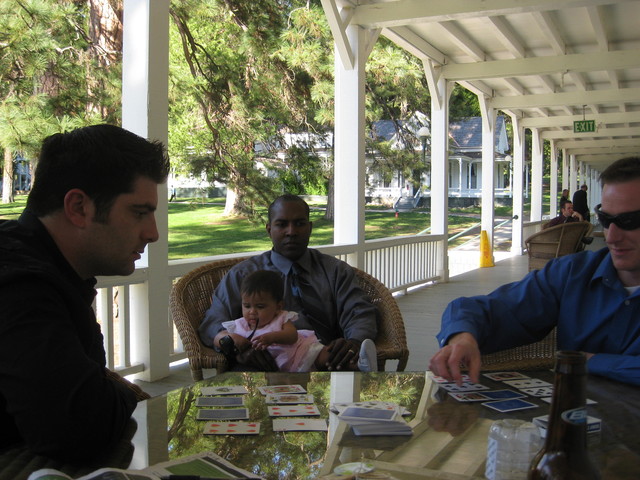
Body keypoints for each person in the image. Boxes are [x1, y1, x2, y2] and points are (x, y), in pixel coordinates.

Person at [0, 125, 170, 460]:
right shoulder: (18, 285)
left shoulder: (51, 271)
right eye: (139, 212)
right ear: (78, 207)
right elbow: (79, 431)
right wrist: (121, 395)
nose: (152, 234)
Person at [429, 156, 640, 387]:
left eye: (630, 221)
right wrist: (462, 337)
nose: (611, 236)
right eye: (606, 219)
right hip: (573, 417)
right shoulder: (573, 274)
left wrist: (589, 362)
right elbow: (486, 309)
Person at [199, 194, 378, 371]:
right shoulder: (243, 275)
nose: (291, 232)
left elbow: (360, 312)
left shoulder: (336, 271)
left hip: (329, 361)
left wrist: (354, 342)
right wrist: (237, 348)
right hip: (263, 365)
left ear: (310, 228)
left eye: (299, 223)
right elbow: (213, 322)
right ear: (269, 229)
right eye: (282, 224)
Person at [223, 270, 377, 372]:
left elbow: (292, 336)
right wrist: (232, 339)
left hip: (299, 353)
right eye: (247, 306)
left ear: (278, 306)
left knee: (325, 355)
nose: (252, 311)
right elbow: (220, 336)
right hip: (270, 367)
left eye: (260, 306)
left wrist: (272, 337)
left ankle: (360, 364)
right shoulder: (240, 325)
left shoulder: (280, 318)